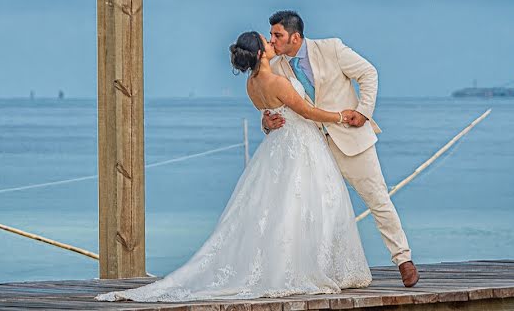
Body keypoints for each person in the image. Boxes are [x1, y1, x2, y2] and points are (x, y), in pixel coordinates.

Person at [96, 31, 372, 302]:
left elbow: (271, 114)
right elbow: (306, 112)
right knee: (307, 205)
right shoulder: (277, 82)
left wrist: (266, 123)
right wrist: (340, 116)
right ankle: (303, 267)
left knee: (279, 208)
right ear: (261, 53)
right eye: (267, 41)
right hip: (299, 147)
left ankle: (293, 264)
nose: (271, 41)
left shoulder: (251, 85)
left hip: (277, 148)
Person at [264, 10, 418, 288]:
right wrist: (266, 121)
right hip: (312, 148)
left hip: (351, 138)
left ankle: (403, 259)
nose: (271, 40)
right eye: (271, 35)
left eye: (277, 35)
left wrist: (364, 111)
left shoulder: (331, 48)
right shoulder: (275, 67)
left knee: (377, 199)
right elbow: (273, 103)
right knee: (318, 209)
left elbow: (368, 73)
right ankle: (322, 270)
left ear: (295, 37)